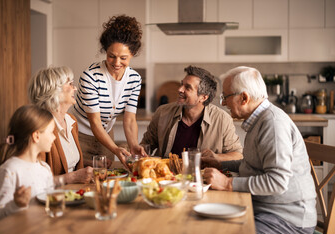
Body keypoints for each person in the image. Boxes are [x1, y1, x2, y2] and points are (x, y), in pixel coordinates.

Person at [203, 66, 316, 234]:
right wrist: (219, 162)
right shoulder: (259, 121)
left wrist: (228, 184)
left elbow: (277, 182)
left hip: (287, 219)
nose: (223, 103)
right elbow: (252, 165)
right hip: (264, 209)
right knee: (209, 228)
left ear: (244, 98)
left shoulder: (273, 124)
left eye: (225, 97)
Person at [69, 15, 146, 168]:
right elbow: (95, 122)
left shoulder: (135, 79)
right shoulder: (90, 76)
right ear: (105, 51)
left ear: (133, 54)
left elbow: (129, 120)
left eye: (123, 58)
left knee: (107, 177)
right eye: (112, 56)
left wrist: (134, 146)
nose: (117, 63)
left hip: (106, 135)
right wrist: (116, 148)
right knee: (82, 180)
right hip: (80, 136)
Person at [140, 65, 243, 160]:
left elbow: (238, 155)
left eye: (187, 87)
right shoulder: (162, 112)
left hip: (203, 178)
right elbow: (146, 145)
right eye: (181, 84)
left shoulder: (222, 119)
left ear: (203, 97)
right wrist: (137, 152)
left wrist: (216, 157)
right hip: (167, 178)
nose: (180, 89)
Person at [0, 105, 55, 223]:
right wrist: (16, 204)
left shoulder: (45, 168)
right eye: (51, 132)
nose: (54, 137)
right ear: (36, 136)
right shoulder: (9, 171)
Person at [28, 66, 93, 184]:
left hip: (74, 193)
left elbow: (70, 161)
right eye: (70, 84)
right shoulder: (40, 128)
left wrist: (91, 164)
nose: (75, 88)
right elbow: (32, 181)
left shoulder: (71, 121)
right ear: (54, 91)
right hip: (51, 198)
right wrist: (72, 178)